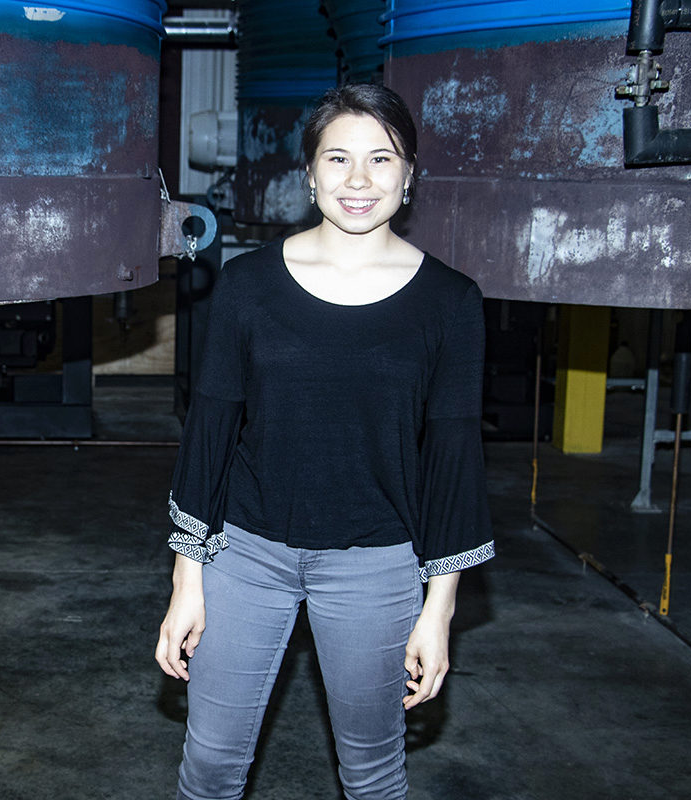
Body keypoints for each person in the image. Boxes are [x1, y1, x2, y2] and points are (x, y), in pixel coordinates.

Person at [154, 83, 494, 800]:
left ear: (410, 174)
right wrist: (188, 580)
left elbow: (453, 460)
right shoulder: (248, 287)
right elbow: (211, 433)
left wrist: (440, 610)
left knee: (371, 773)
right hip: (245, 553)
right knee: (210, 765)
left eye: (382, 158)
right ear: (309, 175)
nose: (359, 180)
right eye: (338, 158)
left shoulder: (452, 302)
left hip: (376, 563)